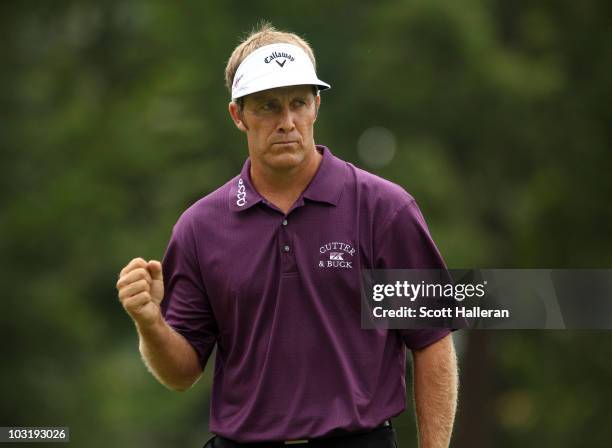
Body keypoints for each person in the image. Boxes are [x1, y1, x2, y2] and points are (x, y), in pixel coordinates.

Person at [116, 24, 458, 448]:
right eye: (267, 106)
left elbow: (431, 341)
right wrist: (149, 322)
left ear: (317, 106)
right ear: (237, 115)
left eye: (298, 102)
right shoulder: (200, 227)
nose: (287, 122)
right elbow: (182, 373)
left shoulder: (383, 210)